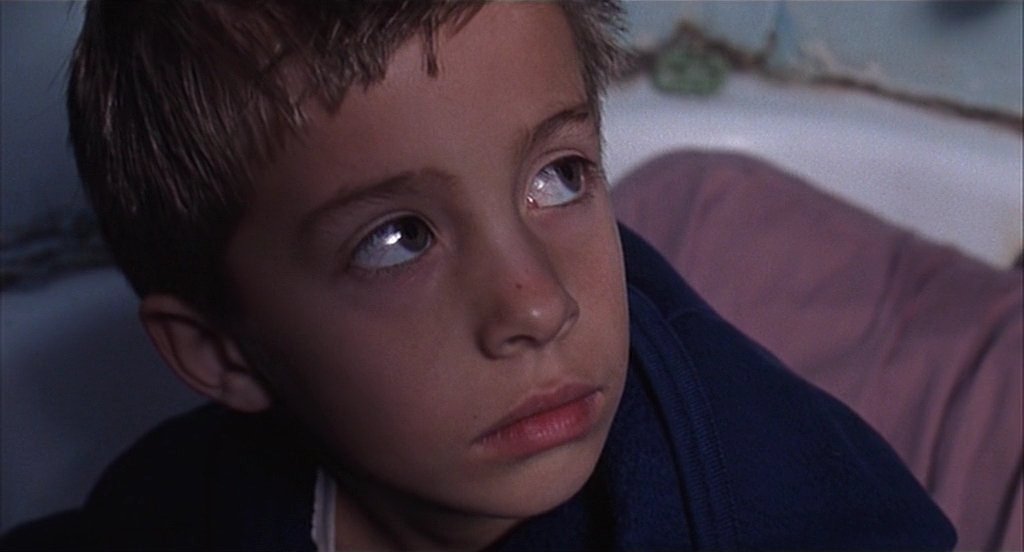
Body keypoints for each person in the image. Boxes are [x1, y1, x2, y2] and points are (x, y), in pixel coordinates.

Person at [1, 1, 955, 550]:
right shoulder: (186, 509)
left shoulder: (762, 493)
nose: (538, 302)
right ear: (221, 353)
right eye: (396, 240)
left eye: (560, 176)